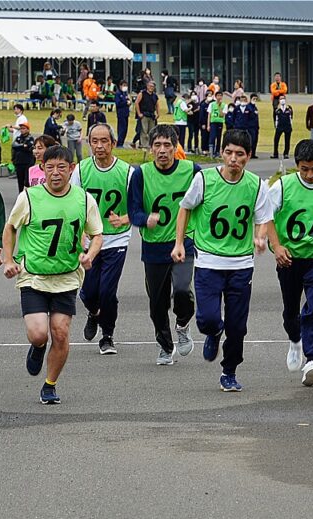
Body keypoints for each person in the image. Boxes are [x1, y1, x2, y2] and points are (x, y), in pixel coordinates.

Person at [2, 145, 103, 405]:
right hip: (34, 276)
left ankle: (50, 384)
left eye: (62, 167)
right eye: (50, 167)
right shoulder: (29, 197)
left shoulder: (84, 199)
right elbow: (11, 227)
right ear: (42, 169)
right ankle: (37, 348)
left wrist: (89, 256)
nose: (55, 173)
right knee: (39, 334)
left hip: (67, 276)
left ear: (71, 169)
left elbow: (97, 235)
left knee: (60, 333)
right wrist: (8, 259)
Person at [172, 129, 272, 391]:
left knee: (238, 327)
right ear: (221, 153)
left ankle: (229, 371)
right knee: (207, 319)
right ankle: (214, 332)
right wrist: (180, 243)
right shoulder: (204, 179)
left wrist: (261, 237)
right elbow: (185, 208)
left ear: (249, 156)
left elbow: (263, 218)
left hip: (241, 264)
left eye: (240, 154)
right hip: (208, 262)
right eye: (228, 152)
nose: (233, 159)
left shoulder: (256, 185)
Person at [259, 140, 313, 386]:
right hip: (289, 259)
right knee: (291, 312)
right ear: (297, 166)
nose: (310, 175)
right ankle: (295, 339)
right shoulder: (283, 187)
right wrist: (277, 247)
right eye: (304, 169)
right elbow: (267, 216)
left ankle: (311, 359)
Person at [126, 125, 200, 365]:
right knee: (157, 304)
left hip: (183, 242)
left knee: (181, 289)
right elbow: (133, 210)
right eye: (157, 145)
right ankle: (166, 346)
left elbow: (204, 202)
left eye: (168, 145)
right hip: (154, 247)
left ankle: (182, 323)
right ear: (151, 148)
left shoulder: (192, 171)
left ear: (176, 148)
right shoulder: (141, 174)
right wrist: (144, 219)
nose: (162, 150)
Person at [71, 123, 133, 354]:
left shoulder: (127, 172)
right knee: (88, 293)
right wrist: (80, 233)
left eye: (104, 141)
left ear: (113, 143)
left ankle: (107, 335)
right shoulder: (81, 170)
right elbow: (73, 203)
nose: (99, 146)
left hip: (116, 239)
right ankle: (94, 313)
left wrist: (125, 219)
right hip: (89, 240)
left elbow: (139, 206)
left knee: (107, 291)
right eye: (94, 141)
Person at [135, 79, 160, 148]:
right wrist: (139, 113)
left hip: (152, 115)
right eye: (150, 86)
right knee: (144, 130)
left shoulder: (155, 96)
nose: (151, 88)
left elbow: (157, 105)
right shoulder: (142, 93)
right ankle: (144, 145)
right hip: (144, 114)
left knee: (152, 131)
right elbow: (137, 103)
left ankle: (150, 144)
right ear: (147, 86)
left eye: (152, 86)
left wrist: (158, 113)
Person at [11, 123, 34, 192]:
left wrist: (20, 146)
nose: (22, 130)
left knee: (27, 180)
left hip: (28, 162)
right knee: (20, 181)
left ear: (28, 129)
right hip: (19, 162)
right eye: (21, 128)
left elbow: (28, 147)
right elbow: (14, 146)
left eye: (24, 128)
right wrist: (22, 146)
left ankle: (28, 194)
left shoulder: (30, 138)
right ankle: (21, 194)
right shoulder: (18, 138)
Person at [234, 94, 259, 158]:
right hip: (238, 127)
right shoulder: (236, 108)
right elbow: (233, 117)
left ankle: (248, 153)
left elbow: (252, 118)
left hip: (246, 127)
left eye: (244, 100)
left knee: (248, 141)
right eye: (241, 100)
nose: (243, 101)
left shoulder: (249, 108)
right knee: (237, 140)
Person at [207, 90, 225, 158]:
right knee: (212, 136)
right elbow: (209, 115)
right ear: (215, 96)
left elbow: (221, 115)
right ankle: (211, 152)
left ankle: (217, 151)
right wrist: (208, 125)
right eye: (218, 95)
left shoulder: (224, 105)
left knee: (219, 137)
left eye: (220, 96)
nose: (219, 97)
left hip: (219, 122)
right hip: (213, 122)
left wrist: (220, 106)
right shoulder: (211, 104)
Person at [114, 80, 131, 148]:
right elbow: (118, 103)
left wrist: (129, 103)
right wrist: (125, 103)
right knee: (121, 128)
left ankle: (122, 142)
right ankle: (119, 143)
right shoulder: (118, 94)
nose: (125, 87)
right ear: (120, 86)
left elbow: (128, 100)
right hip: (121, 113)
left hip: (126, 113)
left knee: (125, 128)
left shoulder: (125, 93)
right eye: (124, 85)